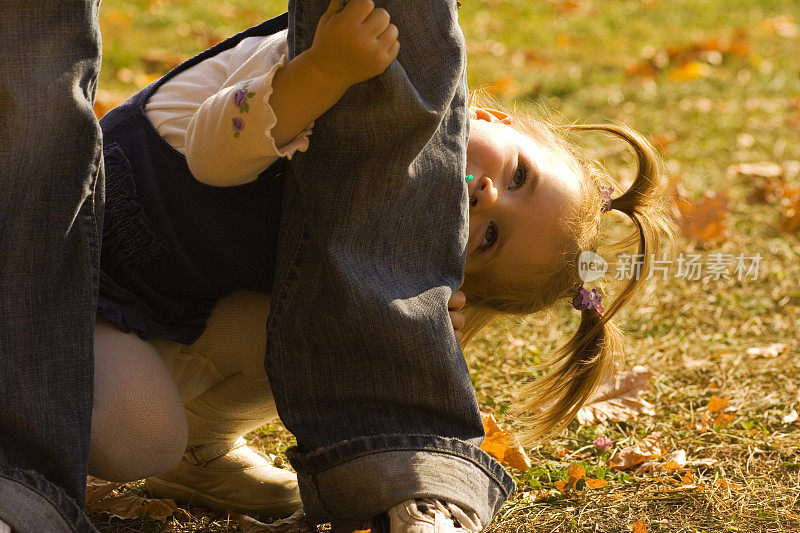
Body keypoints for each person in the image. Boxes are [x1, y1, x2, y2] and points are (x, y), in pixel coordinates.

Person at [88, 0, 673, 528]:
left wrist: (416, 326)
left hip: (167, 305)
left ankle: (199, 447)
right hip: (89, 242)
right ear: (492, 119)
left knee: (339, 331)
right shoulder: (361, 62)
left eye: (491, 238)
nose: (490, 195)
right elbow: (213, 153)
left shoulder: (392, 233)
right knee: (136, 435)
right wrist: (322, 71)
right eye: (520, 174)